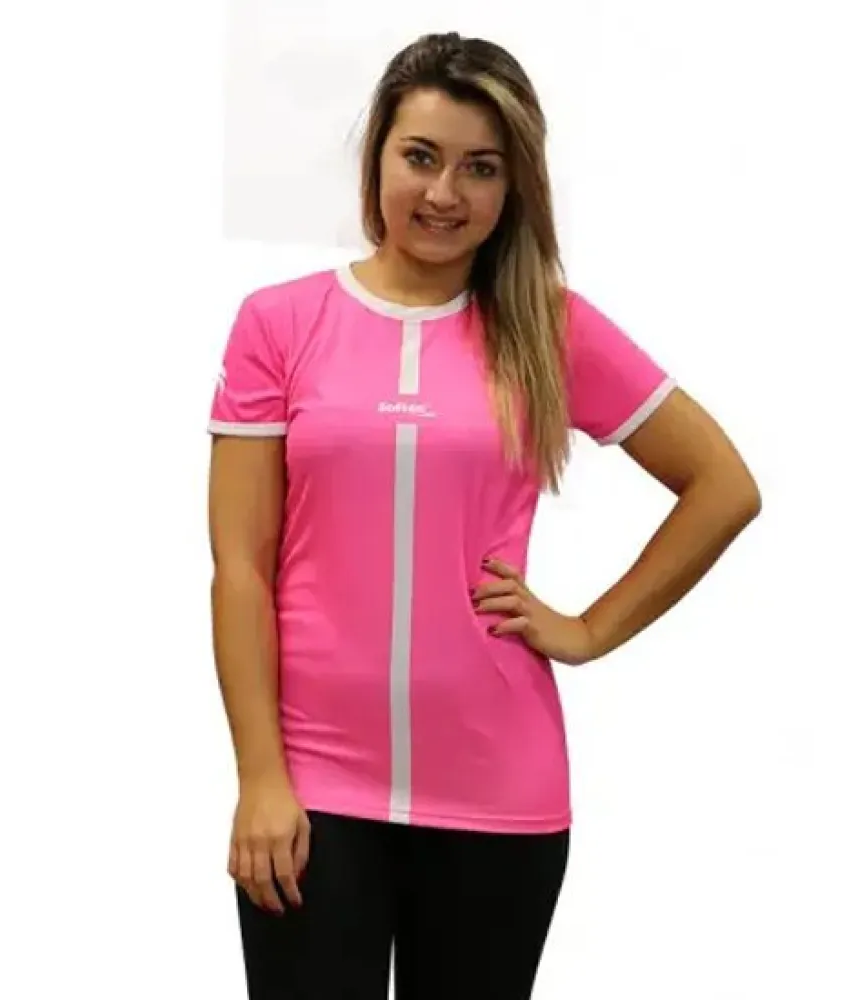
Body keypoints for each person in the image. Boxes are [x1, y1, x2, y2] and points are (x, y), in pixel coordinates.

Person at [207, 30, 761, 1000]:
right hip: (313, 784)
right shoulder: (278, 323)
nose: (444, 193)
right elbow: (241, 568)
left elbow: (722, 484)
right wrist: (260, 774)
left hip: (498, 792)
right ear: (377, 156)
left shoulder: (548, 326)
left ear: (514, 186)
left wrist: (587, 629)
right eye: (420, 156)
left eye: (480, 167)